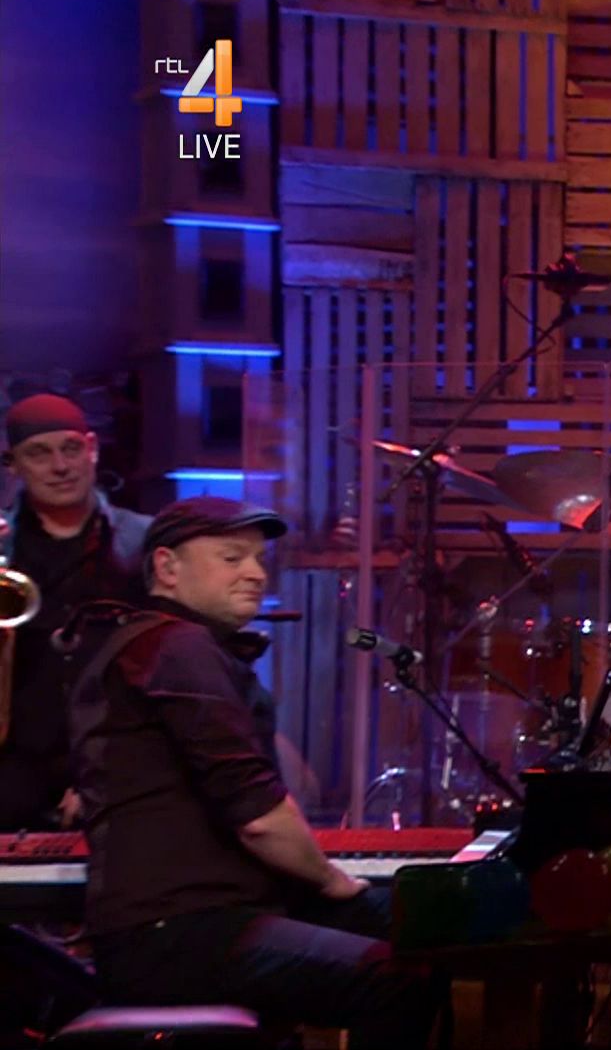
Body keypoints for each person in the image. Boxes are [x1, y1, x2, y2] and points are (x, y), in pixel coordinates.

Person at [66, 497, 436, 1046]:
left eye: (260, 559)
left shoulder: (166, 645)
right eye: (232, 557)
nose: (257, 573)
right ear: (167, 567)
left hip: (198, 920)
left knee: (420, 934)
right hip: (177, 932)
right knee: (396, 979)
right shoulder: (175, 645)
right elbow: (257, 815)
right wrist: (332, 879)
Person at [0, 394, 150, 830]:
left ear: (93, 448)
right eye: (39, 454)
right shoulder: (4, 545)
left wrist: (109, 770)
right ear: (13, 465)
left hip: (121, 763)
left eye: (71, 448)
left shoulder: (145, 540)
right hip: (13, 768)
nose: (61, 466)